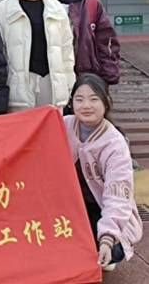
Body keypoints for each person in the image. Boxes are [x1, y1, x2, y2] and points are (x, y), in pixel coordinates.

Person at [64, 73, 142, 271]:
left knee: (109, 248)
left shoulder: (115, 144)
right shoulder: (64, 124)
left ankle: (107, 249)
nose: (86, 106)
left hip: (100, 207)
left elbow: (117, 198)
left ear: (106, 102)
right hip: (70, 205)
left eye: (93, 99)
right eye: (79, 99)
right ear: (71, 103)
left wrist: (107, 237)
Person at [0, 0, 75, 110]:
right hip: (18, 89)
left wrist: (68, 85)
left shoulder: (57, 9)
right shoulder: (3, 9)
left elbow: (67, 53)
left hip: (51, 85)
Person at [49, 0, 120, 85]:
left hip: (85, 76)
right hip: (52, 76)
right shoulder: (46, 0)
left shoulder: (90, 1)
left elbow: (106, 40)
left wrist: (109, 74)